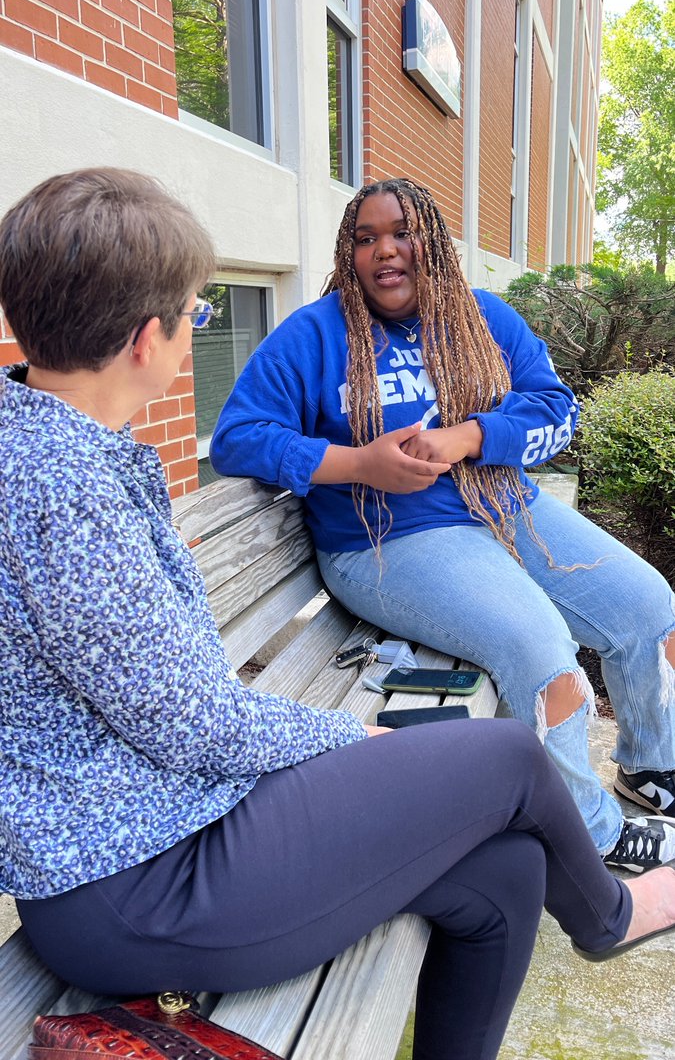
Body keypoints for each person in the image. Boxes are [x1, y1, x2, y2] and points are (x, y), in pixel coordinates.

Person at [2, 169, 674, 1060]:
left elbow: (167, 710)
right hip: (137, 885)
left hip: (169, 821)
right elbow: (190, 724)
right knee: (505, 760)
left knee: (508, 873)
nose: (195, 331)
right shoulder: (61, 490)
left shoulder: (54, 447)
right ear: (145, 338)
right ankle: (606, 917)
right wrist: (346, 739)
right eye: (198, 317)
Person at [211, 176, 675, 871]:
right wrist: (355, 462)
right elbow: (237, 439)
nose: (383, 251)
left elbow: (555, 409)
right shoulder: (313, 334)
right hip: (388, 541)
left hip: (507, 509)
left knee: (649, 609)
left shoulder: (482, 319)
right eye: (364, 239)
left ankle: (647, 765)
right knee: (538, 646)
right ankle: (587, 832)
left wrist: (468, 437)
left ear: (432, 241)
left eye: (401, 232)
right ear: (347, 252)